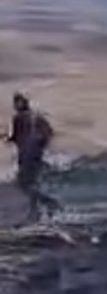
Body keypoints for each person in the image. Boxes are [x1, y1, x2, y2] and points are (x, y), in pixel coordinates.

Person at [6, 92, 58, 221]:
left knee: (26, 184)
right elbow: (49, 134)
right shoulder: (38, 117)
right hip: (36, 155)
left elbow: (14, 137)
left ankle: (38, 210)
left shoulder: (18, 118)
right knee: (34, 182)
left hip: (25, 156)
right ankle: (43, 209)